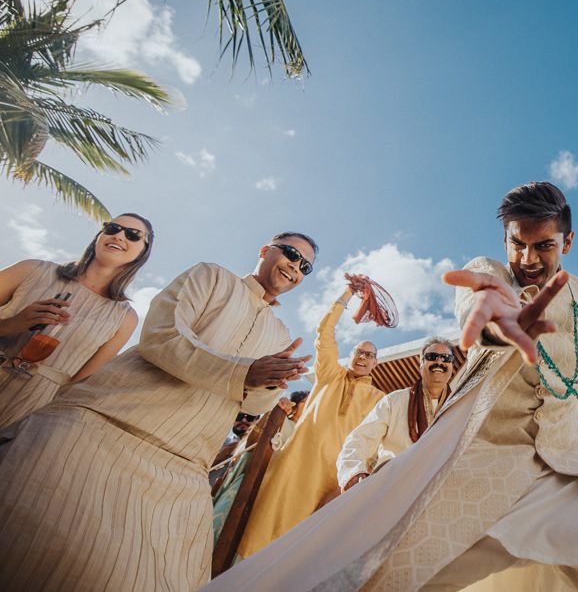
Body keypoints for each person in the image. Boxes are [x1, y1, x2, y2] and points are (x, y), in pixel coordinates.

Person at [206, 181, 578, 592]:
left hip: (573, 474)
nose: (529, 258)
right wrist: (495, 321)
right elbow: (480, 305)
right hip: (476, 480)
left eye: (544, 246)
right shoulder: (487, 273)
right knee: (363, 581)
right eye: (517, 243)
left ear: (569, 243)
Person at [0, 231, 316, 591]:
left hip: (184, 468)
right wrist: (243, 371)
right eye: (290, 252)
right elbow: (162, 336)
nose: (295, 265)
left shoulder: (280, 334)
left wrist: (271, 383)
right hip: (106, 422)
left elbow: (253, 404)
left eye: (304, 265)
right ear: (265, 250)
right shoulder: (211, 277)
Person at [237, 284, 385, 558]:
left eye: (369, 355)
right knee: (261, 531)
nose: (363, 357)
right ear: (350, 356)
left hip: (332, 479)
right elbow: (324, 332)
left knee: (303, 549)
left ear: (375, 363)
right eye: (359, 352)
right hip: (295, 463)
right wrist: (346, 295)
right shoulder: (330, 373)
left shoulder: (379, 399)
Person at [0, 214, 153, 428]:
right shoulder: (32, 270)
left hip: (27, 417)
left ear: (143, 252)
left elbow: (80, 386)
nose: (119, 236)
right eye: (112, 228)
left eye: (133, 235)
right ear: (99, 236)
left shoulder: (124, 319)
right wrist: (12, 324)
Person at [336, 337, 458, 493]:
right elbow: (359, 440)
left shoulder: (460, 404)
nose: (439, 362)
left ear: (452, 366)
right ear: (421, 365)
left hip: (444, 488)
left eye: (446, 358)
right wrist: (353, 472)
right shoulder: (394, 401)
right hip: (393, 486)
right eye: (432, 357)